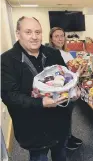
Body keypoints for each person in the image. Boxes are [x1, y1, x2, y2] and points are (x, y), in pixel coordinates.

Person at [1, 17, 82, 161]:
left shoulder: (53, 54)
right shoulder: (6, 61)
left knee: (61, 156)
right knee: (39, 157)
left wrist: (73, 91)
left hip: (59, 122)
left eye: (38, 32)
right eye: (28, 32)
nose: (34, 36)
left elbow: (65, 78)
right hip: (34, 129)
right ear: (18, 34)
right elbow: (9, 96)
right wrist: (41, 103)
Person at [49, 27, 83, 150]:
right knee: (63, 117)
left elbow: (72, 70)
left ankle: (69, 136)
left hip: (71, 89)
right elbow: (61, 75)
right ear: (51, 39)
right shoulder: (51, 55)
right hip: (62, 92)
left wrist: (78, 71)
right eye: (56, 36)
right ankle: (65, 142)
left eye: (62, 36)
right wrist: (76, 74)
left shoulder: (67, 52)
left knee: (68, 115)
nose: (60, 39)